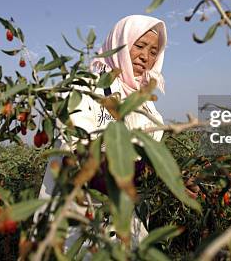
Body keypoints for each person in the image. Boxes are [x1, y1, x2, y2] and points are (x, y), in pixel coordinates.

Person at [34, 14, 167, 250]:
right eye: (140, 46)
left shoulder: (148, 108)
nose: (146, 56)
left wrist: (172, 178)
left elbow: (147, 165)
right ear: (121, 43)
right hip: (73, 220)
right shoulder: (86, 88)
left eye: (154, 51)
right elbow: (76, 159)